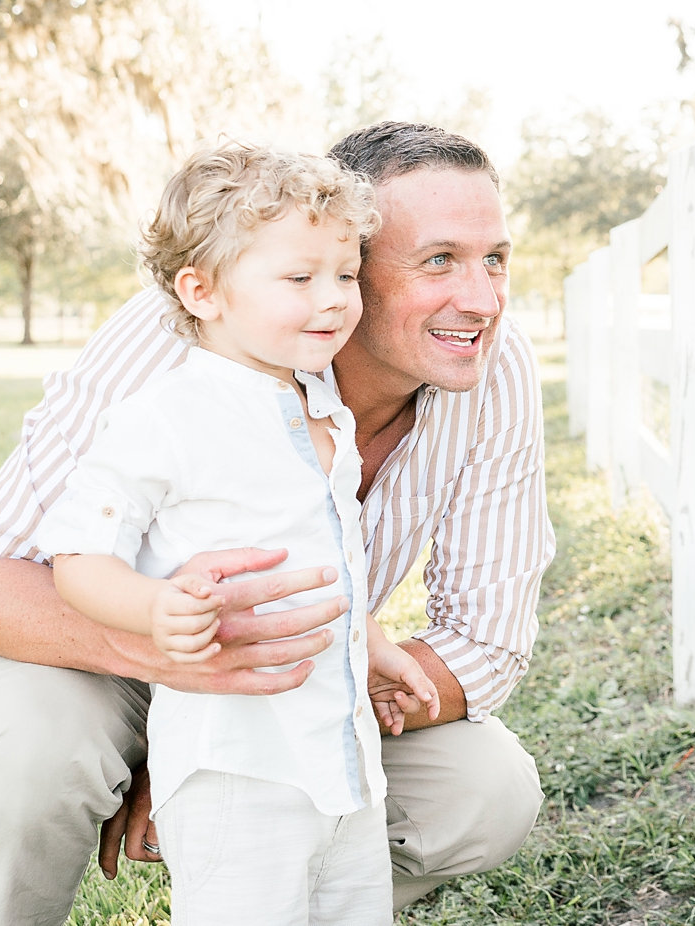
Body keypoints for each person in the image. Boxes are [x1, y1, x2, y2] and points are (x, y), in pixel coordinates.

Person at [0, 122, 555, 925]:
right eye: (439, 261)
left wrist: (262, 722)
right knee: (33, 746)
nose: (483, 299)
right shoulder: (184, 341)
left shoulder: (490, 364)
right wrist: (190, 710)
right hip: (85, 652)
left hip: (292, 677)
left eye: (494, 259)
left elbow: (488, 641)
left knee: (483, 788)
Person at [33, 141, 439, 924]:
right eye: (299, 278)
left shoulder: (323, 408)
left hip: (341, 758)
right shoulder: (166, 416)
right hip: (238, 766)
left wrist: (373, 639)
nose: (334, 301)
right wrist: (155, 610)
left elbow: (325, 557)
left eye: (347, 275)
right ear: (202, 291)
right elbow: (78, 555)